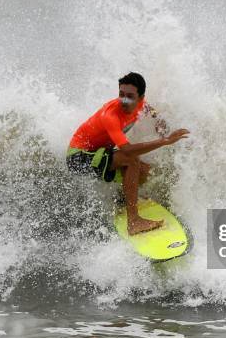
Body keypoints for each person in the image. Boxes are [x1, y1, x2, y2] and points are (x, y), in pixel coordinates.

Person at [66, 72, 190, 235]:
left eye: (130, 96)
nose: (124, 100)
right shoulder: (110, 115)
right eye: (121, 95)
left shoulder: (141, 104)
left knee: (144, 172)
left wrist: (157, 119)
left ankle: (123, 200)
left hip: (100, 153)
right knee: (132, 160)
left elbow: (147, 107)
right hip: (79, 157)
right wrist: (165, 141)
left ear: (140, 97)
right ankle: (134, 222)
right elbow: (127, 150)